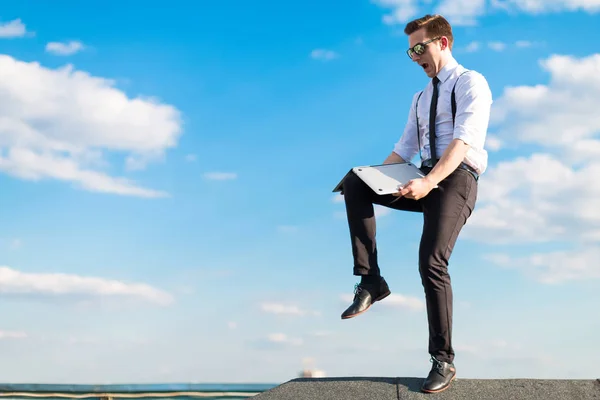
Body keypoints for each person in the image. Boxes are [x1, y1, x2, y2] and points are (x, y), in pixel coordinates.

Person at [339, 14, 492, 394]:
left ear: (443, 42)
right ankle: (371, 280)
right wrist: (370, 177)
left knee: (431, 262)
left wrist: (430, 181)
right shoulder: (420, 98)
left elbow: (462, 142)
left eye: (419, 48)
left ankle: (443, 359)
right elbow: (403, 148)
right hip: (420, 176)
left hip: (455, 179)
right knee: (355, 182)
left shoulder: (471, 82)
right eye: (410, 52)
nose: (415, 57)